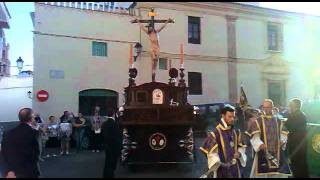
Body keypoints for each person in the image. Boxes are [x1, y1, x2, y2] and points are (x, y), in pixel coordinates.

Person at [246, 99, 291, 178]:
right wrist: (260, 144)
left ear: (272, 107)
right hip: (263, 152)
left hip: (277, 152)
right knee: (263, 173)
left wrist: (282, 141)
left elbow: (284, 133)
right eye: (264, 107)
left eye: (268, 107)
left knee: (277, 173)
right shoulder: (258, 121)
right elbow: (254, 136)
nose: (266, 109)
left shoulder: (278, 120)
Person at [200, 105, 247, 178]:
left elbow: (241, 148)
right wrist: (217, 162)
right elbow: (211, 153)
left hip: (235, 169)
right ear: (223, 116)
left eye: (233, 117)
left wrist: (240, 154)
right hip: (221, 171)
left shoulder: (236, 132)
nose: (232, 119)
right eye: (229, 117)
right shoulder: (215, 134)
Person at [1, 108, 40, 178]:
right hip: (28, 171)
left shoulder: (7, 133)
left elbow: (3, 153)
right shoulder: (32, 133)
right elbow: (35, 154)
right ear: (31, 118)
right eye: (34, 117)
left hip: (12, 172)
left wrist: (8, 171)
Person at [135, 17, 172, 81]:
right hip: (152, 48)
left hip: (157, 48)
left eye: (150, 27)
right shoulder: (148, 33)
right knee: (153, 59)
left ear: (152, 28)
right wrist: (138, 21)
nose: (149, 28)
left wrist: (167, 21)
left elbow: (162, 27)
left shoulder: (156, 32)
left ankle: (154, 72)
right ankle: (153, 72)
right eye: (149, 27)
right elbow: (142, 27)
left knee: (156, 60)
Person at [286, 98, 309, 178]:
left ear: (293, 106)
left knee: (297, 164)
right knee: (302, 164)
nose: (289, 107)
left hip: (295, 144)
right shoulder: (302, 114)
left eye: (290, 105)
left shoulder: (294, 115)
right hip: (301, 144)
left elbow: (289, 127)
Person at [101, 108, 122, 178]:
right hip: (113, 146)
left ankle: (105, 175)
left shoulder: (104, 124)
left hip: (107, 145)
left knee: (107, 162)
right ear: (113, 114)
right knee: (112, 163)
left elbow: (102, 135)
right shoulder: (115, 124)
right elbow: (117, 137)